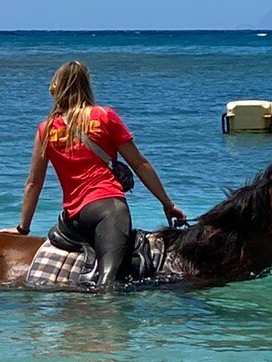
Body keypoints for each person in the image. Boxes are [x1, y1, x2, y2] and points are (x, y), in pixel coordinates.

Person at [10, 60, 186, 286]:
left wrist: (23, 228)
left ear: (57, 89)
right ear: (87, 86)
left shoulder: (46, 129)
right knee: (108, 285)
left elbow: (33, 183)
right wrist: (168, 204)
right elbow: (139, 164)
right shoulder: (105, 116)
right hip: (108, 209)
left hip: (73, 217)